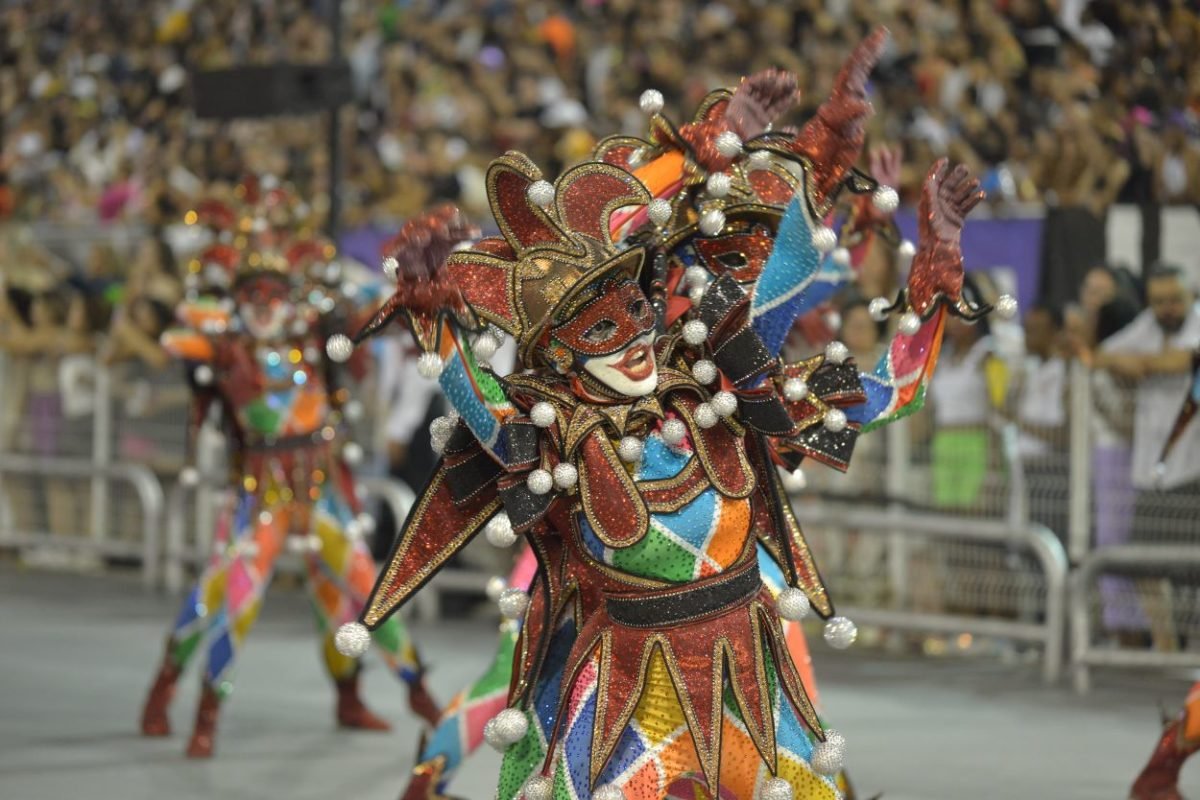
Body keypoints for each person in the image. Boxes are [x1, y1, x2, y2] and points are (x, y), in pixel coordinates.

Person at [339, 29, 1000, 799]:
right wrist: (437, 323)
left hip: (748, 679)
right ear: (560, 354)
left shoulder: (719, 398)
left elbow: (876, 378)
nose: (630, 338)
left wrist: (841, 163)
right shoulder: (561, 441)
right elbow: (482, 410)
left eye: (630, 310)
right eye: (598, 329)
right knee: (509, 687)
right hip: (628, 695)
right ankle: (426, 779)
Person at [137, 194, 440, 758]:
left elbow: (373, 303)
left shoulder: (317, 339)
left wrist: (360, 289)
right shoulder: (224, 348)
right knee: (224, 599)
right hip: (260, 492)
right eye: (251, 294)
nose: (263, 305)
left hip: (321, 486)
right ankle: (186, 700)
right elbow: (174, 332)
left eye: (274, 294)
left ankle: (408, 692)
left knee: (358, 594)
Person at [1090, 265, 1200, 651]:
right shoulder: (1148, 327)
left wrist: (1146, 365)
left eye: (1174, 301)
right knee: (1146, 565)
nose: (1167, 309)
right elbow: (1101, 356)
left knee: (1193, 569)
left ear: (1190, 298)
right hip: (1153, 471)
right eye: (1159, 302)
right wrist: (1153, 362)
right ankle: (1167, 648)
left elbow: (1189, 359)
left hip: (1193, 468)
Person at [1012, 304, 1069, 541]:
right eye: (1026, 329)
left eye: (1035, 330)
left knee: (1051, 537)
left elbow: (1064, 436)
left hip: (1052, 471)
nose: (1027, 336)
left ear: (1055, 333)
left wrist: (1018, 422)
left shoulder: (1066, 372)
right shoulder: (1032, 371)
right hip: (1027, 468)